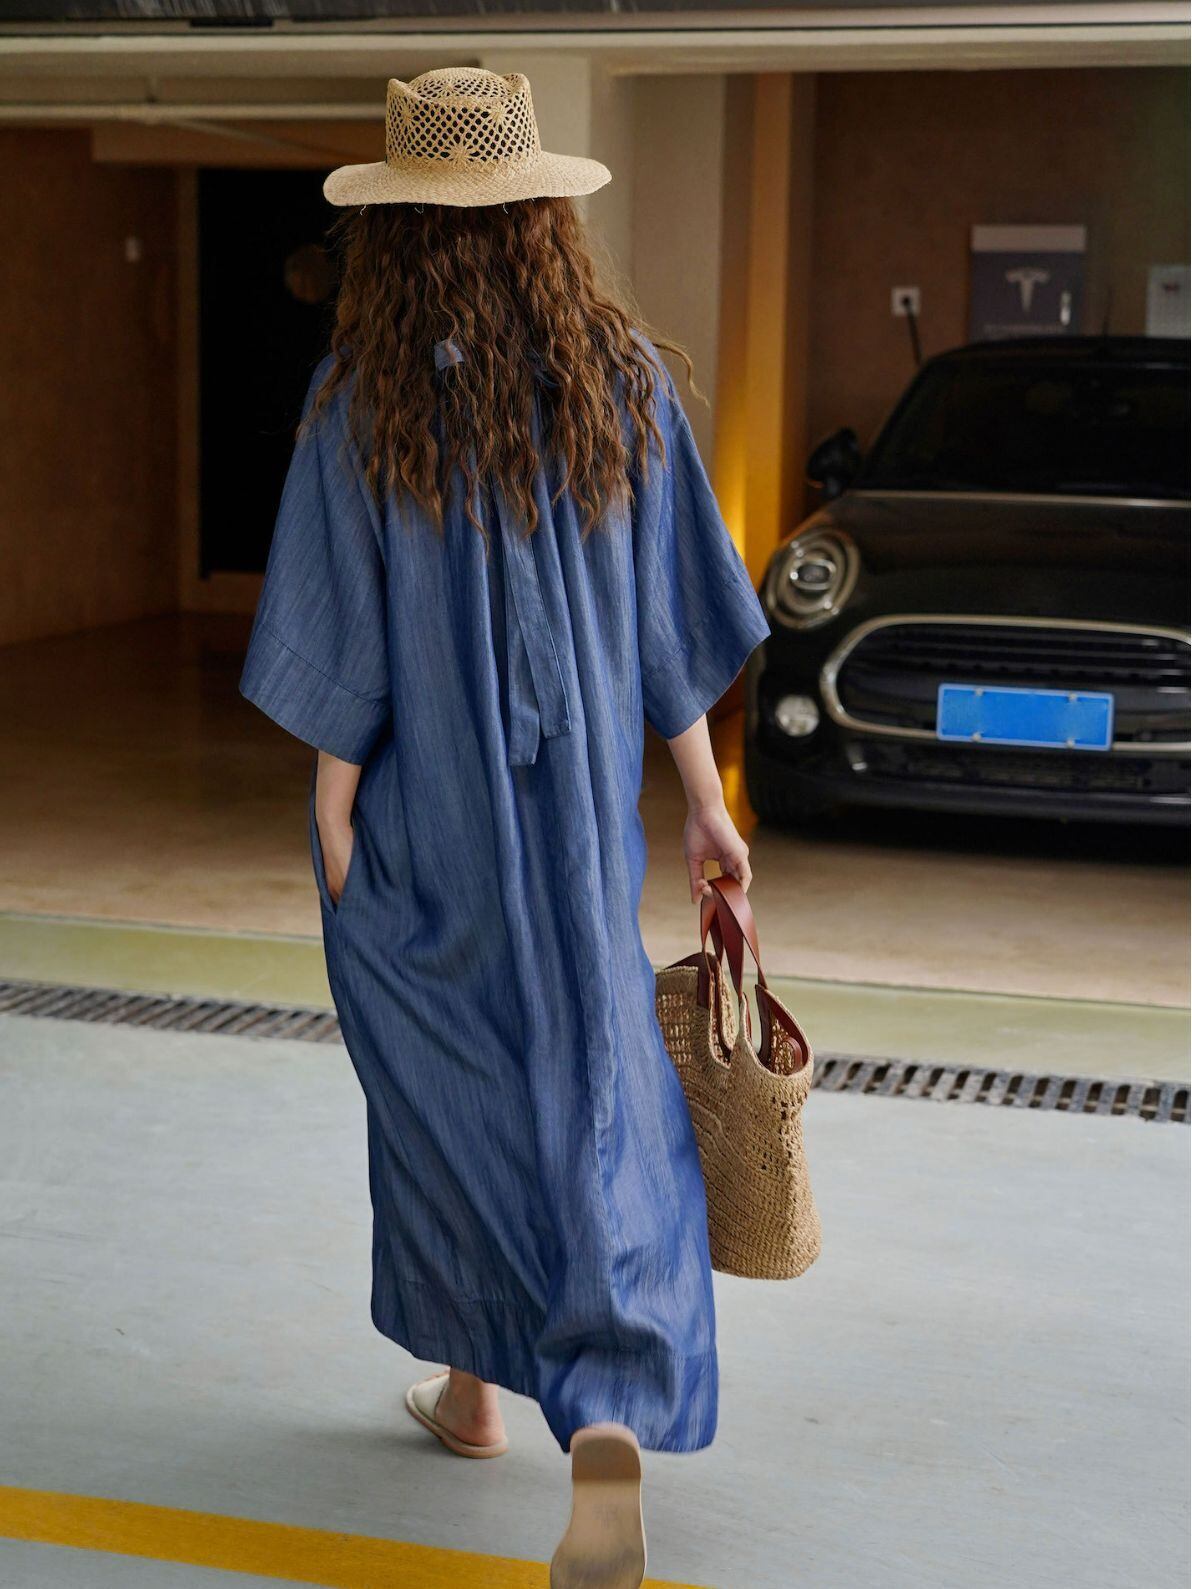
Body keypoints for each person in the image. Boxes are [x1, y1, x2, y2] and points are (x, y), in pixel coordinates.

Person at [240, 66, 770, 1589]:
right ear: (545, 217)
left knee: (445, 1089)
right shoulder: (625, 382)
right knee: (598, 1091)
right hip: (579, 837)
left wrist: (335, 822)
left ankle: (479, 1387)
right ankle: (585, 1416)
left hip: (433, 825)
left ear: (399, 231)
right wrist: (705, 801)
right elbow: (668, 632)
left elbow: (342, 652)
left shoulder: (363, 402)